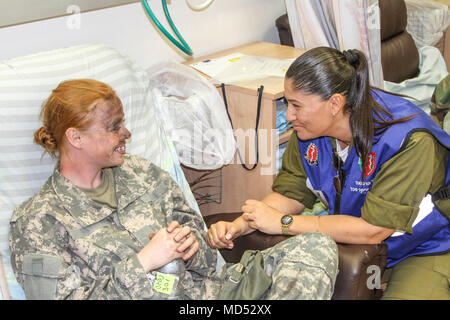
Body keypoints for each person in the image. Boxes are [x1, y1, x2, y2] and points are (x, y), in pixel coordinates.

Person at [9, 79, 338, 300]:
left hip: (208, 294)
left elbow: (208, 262)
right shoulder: (38, 221)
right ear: (75, 137)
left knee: (316, 249)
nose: (127, 133)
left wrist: (190, 245)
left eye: (123, 122)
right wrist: (144, 262)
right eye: (113, 127)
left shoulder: (141, 173)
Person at [208, 47, 450, 300]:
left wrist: (284, 223)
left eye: (296, 105)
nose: (289, 115)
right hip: (354, 242)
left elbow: (374, 229)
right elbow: (292, 194)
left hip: (424, 247)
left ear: (335, 103)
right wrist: (240, 224)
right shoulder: (309, 132)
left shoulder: (407, 141)